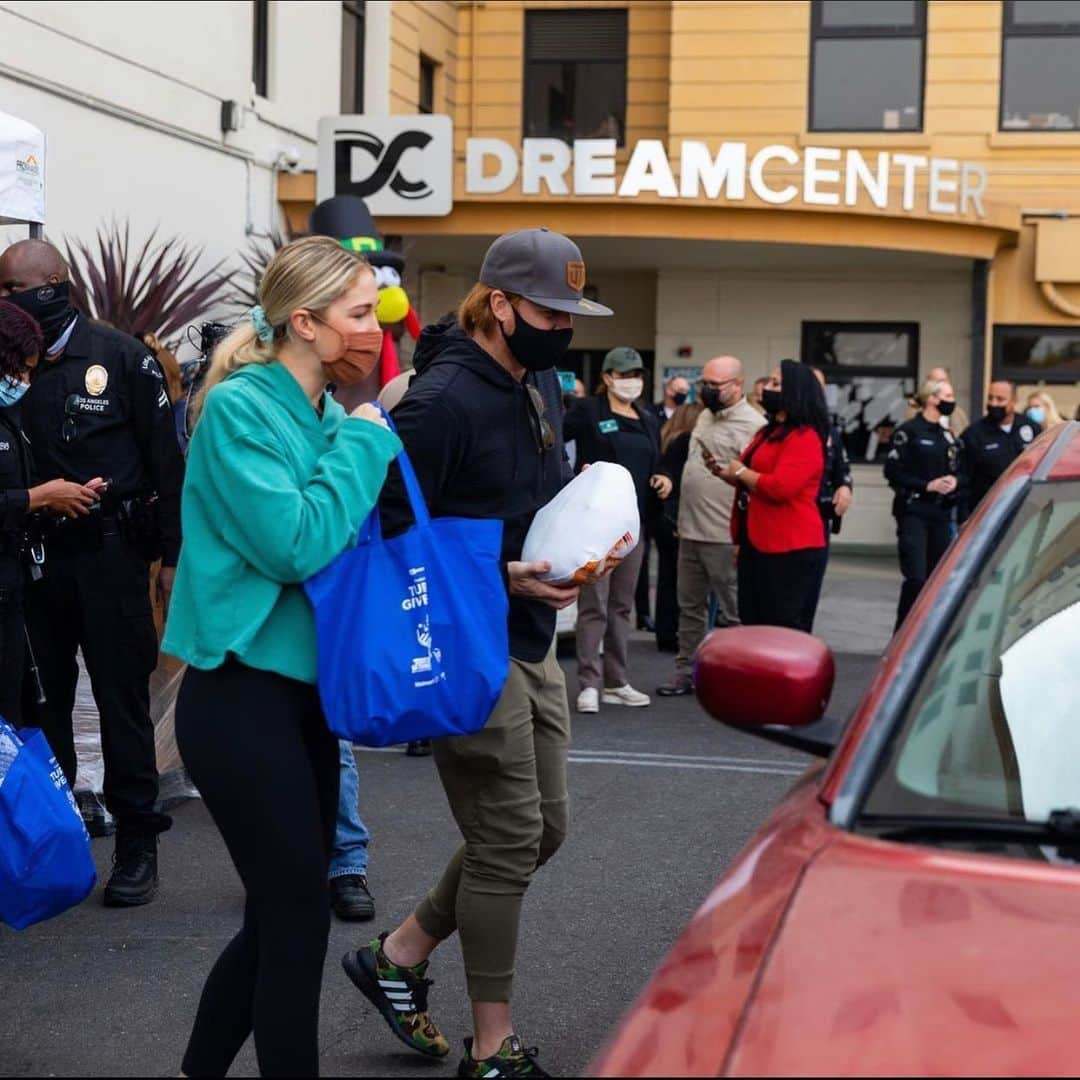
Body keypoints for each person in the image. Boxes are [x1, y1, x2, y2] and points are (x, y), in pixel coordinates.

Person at [342, 227, 608, 1079]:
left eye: (571, 313)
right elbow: (381, 531)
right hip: (461, 648)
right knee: (505, 840)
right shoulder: (441, 399)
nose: (562, 328)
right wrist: (503, 576)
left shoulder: (540, 382)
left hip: (529, 637)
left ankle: (398, 955)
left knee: (544, 830)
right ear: (499, 304)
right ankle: (492, 1049)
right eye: (547, 311)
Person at [161, 236, 399, 1076]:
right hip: (238, 697)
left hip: (306, 700)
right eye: (361, 314)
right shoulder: (240, 410)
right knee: (296, 917)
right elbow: (295, 544)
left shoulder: (328, 415)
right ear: (304, 321)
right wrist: (368, 444)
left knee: (277, 917)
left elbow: (350, 546)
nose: (375, 331)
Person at [0, 239, 184, 906]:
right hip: (36, 559)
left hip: (109, 555)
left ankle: (139, 843)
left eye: (13, 288)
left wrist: (172, 560)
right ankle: (61, 835)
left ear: (53, 286)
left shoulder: (120, 357)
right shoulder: (13, 362)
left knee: (121, 702)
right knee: (41, 704)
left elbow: (167, 463)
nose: (6, 301)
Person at [0, 301, 100, 726]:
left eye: (28, 373)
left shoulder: (10, 419)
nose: (22, 382)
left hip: (11, 594)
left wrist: (64, 498)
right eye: (17, 371)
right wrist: (37, 497)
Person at [564, 346, 672, 713]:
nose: (632, 382)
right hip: (597, 524)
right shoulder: (587, 411)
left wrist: (663, 478)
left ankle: (616, 680)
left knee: (622, 606)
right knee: (593, 604)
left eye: (637, 375)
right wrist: (572, 477)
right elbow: (552, 444)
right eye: (624, 375)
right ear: (607, 377)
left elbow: (653, 462)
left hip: (633, 524)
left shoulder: (647, 417)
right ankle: (589, 683)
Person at [657, 356, 765, 696]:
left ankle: (741, 676)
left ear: (737, 385)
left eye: (715, 385)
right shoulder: (704, 415)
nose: (706, 390)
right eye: (704, 382)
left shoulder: (753, 425)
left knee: (734, 613)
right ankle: (686, 670)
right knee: (690, 608)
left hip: (723, 534)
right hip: (689, 530)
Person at [718, 361, 829, 632]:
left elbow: (781, 487)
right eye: (769, 382)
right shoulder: (768, 432)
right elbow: (752, 477)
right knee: (753, 620)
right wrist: (731, 474)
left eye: (776, 384)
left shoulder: (805, 437)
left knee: (781, 627)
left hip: (789, 546)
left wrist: (742, 472)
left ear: (795, 391)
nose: (767, 388)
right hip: (755, 541)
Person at [886, 377, 963, 630]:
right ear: (932, 398)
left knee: (936, 580)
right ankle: (903, 633)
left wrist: (954, 481)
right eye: (947, 396)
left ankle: (926, 633)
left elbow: (958, 468)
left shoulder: (947, 435)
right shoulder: (908, 431)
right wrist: (925, 485)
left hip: (940, 514)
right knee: (916, 578)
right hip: (913, 513)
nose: (951, 401)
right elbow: (893, 472)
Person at [653, 401, 704, 652]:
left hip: (663, 517)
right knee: (678, 581)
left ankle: (664, 631)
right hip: (676, 516)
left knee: (666, 578)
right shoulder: (687, 441)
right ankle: (672, 633)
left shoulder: (668, 437)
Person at [960, 379, 1040, 515]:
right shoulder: (974, 434)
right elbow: (964, 478)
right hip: (986, 511)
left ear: (1013, 401)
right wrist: (964, 517)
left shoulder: (1031, 428)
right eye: (990, 398)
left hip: (1024, 508)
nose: (993, 403)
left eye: (1000, 399)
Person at [908, 365, 969, 434]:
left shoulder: (959, 414)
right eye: (939, 381)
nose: (944, 385)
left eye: (946, 381)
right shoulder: (916, 412)